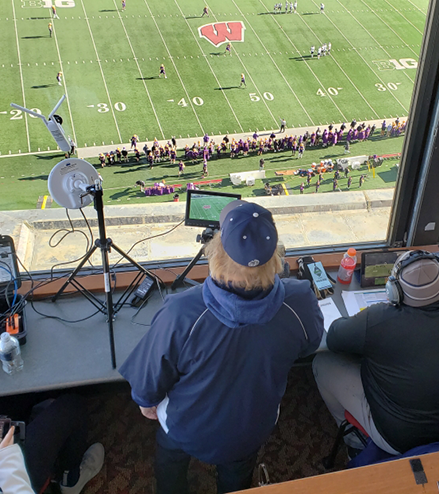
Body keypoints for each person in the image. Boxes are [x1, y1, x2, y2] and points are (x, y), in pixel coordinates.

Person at [119, 201, 323, 494]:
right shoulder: (301, 300)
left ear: (215, 253)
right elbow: (309, 346)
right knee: (238, 470)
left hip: (185, 427)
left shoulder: (181, 311)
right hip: (252, 428)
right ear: (276, 257)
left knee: (170, 459)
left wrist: (145, 401)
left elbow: (147, 383)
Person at [314, 250, 439, 455]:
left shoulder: (378, 320)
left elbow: (334, 338)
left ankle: (354, 443)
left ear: (394, 291)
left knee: (321, 362)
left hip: (399, 439)